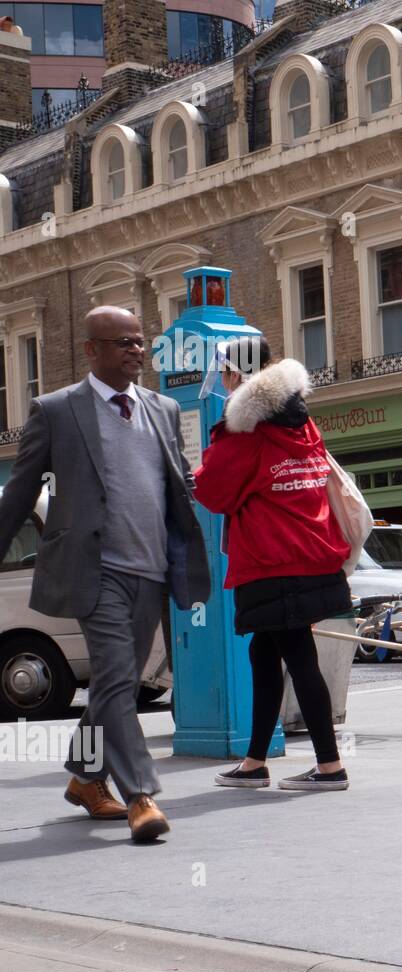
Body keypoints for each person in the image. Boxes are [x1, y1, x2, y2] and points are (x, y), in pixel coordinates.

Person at [0, 306, 210, 842]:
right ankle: (140, 794)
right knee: (117, 678)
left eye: (140, 342)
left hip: (153, 569)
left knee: (119, 682)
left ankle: (84, 780)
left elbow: (179, 481)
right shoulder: (57, 411)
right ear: (91, 349)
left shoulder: (161, 408)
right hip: (96, 572)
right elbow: (20, 493)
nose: (136, 350)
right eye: (122, 343)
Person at [193, 353, 352, 792]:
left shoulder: (247, 434)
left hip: (273, 560)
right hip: (311, 552)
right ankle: (255, 762)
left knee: (299, 655)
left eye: (224, 374)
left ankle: (330, 766)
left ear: (234, 375)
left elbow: (211, 490)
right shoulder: (302, 422)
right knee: (264, 655)